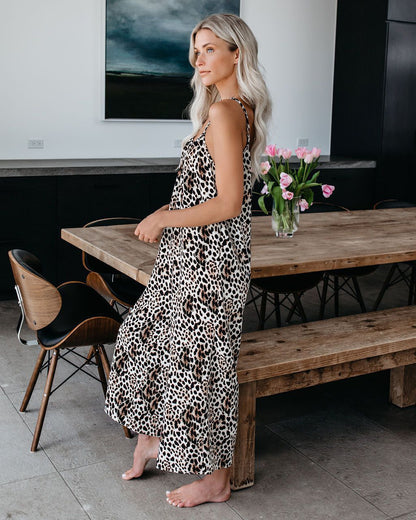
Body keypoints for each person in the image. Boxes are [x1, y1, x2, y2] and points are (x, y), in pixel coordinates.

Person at [104, 12, 271, 508]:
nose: (198, 59)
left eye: (210, 49)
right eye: (195, 50)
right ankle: (152, 437)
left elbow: (229, 203)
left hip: (211, 262)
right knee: (143, 337)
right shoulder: (222, 108)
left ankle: (216, 479)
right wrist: (170, 218)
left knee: (202, 366)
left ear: (236, 53)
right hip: (189, 257)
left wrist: (165, 216)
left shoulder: (226, 112)